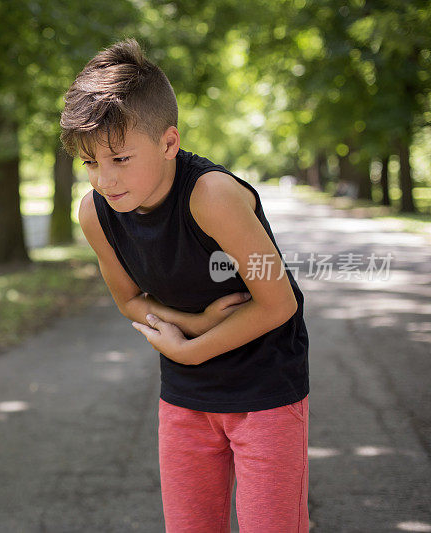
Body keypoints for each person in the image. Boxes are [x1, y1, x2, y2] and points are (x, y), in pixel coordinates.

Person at [60, 38, 310, 532]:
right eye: (90, 163)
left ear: (169, 143)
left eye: (120, 159)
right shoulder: (96, 214)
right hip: (185, 397)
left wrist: (191, 349)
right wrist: (193, 326)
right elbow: (129, 301)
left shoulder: (211, 196)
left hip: (265, 389)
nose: (105, 180)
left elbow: (279, 302)